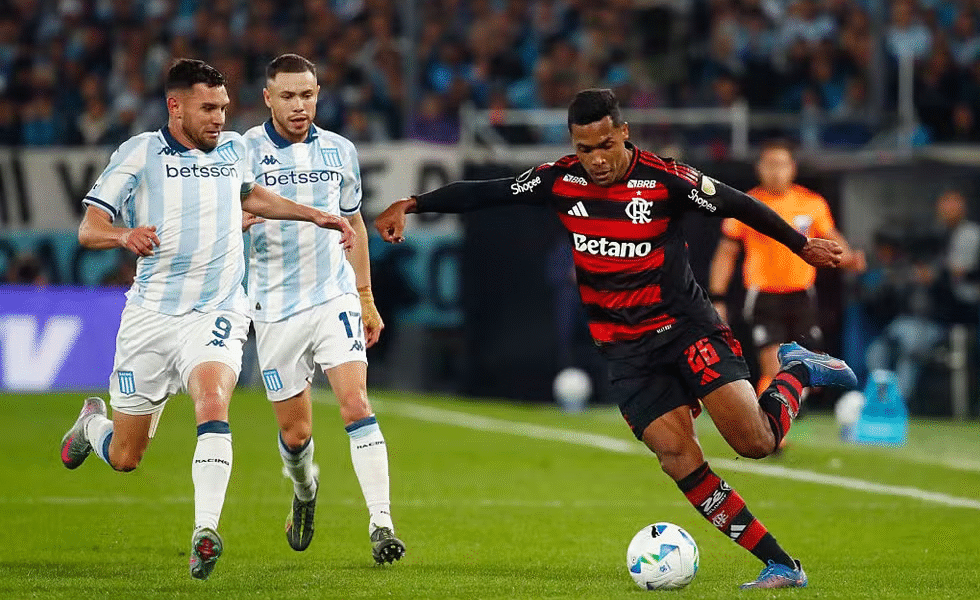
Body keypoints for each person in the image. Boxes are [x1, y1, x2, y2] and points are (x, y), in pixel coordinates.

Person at [375, 89, 858, 589]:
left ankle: (797, 368)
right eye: (585, 149)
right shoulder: (559, 181)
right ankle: (780, 563)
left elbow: (737, 202)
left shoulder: (665, 179)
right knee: (678, 458)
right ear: (574, 145)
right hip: (627, 350)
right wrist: (412, 203)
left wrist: (801, 245)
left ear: (624, 132)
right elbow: (488, 191)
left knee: (755, 442)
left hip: (686, 328)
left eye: (606, 144)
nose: (597, 159)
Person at [59, 59, 356, 581]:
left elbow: (251, 195)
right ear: (175, 107)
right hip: (151, 318)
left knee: (214, 400)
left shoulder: (235, 151)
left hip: (217, 309)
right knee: (127, 456)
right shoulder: (139, 154)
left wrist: (314, 213)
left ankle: (205, 531)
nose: (220, 118)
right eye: (208, 108)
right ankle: (93, 425)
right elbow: (89, 227)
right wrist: (123, 236)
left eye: (223, 107)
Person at [241, 53, 405, 564]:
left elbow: (353, 226)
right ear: (268, 98)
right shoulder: (239, 150)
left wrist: (365, 299)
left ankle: (382, 525)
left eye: (307, 95)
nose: (299, 105)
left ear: (319, 94)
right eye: (287, 96)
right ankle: (305, 491)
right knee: (297, 434)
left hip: (332, 296)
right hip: (274, 310)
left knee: (356, 403)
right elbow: (224, 222)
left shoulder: (340, 150)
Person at [707, 139, 864, 396]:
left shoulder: (811, 203)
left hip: (801, 295)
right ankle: (769, 431)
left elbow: (831, 237)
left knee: (807, 369)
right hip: (764, 296)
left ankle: (785, 407)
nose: (775, 171)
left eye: (781, 164)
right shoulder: (746, 204)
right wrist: (718, 298)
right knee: (774, 365)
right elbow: (726, 253)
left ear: (793, 168)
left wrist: (850, 258)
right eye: (769, 164)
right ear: (759, 168)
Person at [866, 190, 980, 407]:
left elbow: (958, 285)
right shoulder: (917, 258)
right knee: (875, 353)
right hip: (905, 323)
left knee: (910, 346)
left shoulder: (962, 245)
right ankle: (879, 403)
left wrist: (937, 277)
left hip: (939, 324)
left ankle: (896, 405)